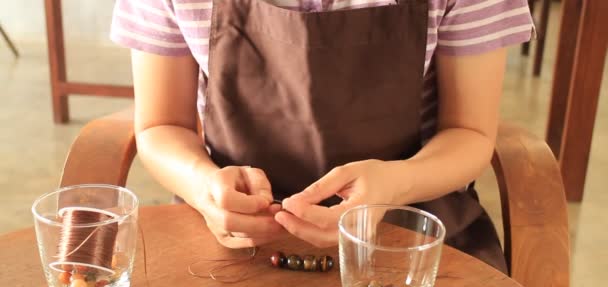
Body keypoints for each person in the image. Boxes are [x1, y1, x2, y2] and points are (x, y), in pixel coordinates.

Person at [111, 0, 534, 273]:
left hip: (410, 233)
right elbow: (161, 125)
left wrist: (396, 185)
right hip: (235, 242)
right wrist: (203, 185)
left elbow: (470, 131)